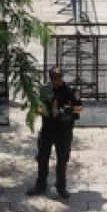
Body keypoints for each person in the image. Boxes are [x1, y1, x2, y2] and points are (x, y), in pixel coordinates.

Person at [27, 66, 83, 199]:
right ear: (50, 78)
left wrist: (63, 112)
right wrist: (43, 110)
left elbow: (79, 108)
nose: (57, 81)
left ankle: (61, 187)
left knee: (62, 160)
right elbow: (38, 107)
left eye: (59, 78)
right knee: (42, 158)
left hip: (63, 132)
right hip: (48, 130)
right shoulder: (45, 90)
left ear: (62, 78)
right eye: (54, 78)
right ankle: (41, 185)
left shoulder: (70, 91)